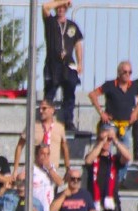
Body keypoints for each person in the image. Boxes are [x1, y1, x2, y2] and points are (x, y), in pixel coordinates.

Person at [41, 0, 83, 131]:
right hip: (53, 65)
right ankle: (44, 120)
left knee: (69, 94)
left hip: (68, 65)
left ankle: (68, 121)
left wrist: (80, 63)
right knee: (49, 94)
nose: (60, 9)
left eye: (63, 7)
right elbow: (45, 7)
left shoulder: (72, 26)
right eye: (58, 7)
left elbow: (78, 45)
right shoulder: (50, 22)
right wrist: (63, 1)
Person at [12, 99, 70, 177]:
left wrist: (67, 168)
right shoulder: (32, 126)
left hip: (52, 171)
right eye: (40, 108)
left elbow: (65, 148)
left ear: (52, 110)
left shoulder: (59, 128)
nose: (41, 111)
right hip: (35, 170)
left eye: (44, 108)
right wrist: (15, 169)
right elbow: (20, 146)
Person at [87, 61, 138, 147]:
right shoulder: (110, 85)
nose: (127, 74)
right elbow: (92, 95)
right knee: (106, 150)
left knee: (124, 152)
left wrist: (136, 112)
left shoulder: (134, 86)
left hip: (126, 125)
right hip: (110, 124)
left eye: (130, 72)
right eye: (125, 72)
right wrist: (101, 112)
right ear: (119, 72)